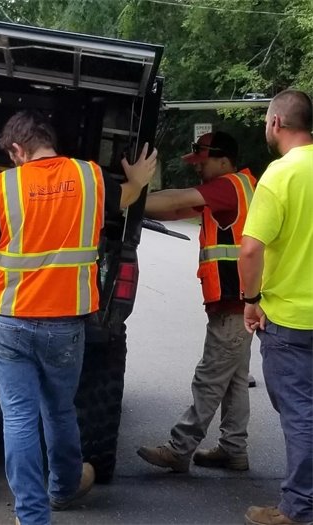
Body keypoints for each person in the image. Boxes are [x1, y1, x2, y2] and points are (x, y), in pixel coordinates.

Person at [0, 109, 157, 525]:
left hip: (11, 322)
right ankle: (66, 488)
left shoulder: (4, 186)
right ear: (49, 141)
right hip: (66, 326)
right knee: (59, 410)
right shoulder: (89, 178)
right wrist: (139, 179)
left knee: (18, 416)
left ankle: (32, 517)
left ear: (17, 149)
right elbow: (125, 197)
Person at [136, 131, 257, 473]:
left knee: (210, 377)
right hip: (239, 301)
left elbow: (174, 201)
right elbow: (175, 210)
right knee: (234, 378)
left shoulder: (227, 186)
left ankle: (179, 448)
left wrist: (124, 196)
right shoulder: (238, 187)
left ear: (223, 160)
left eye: (202, 163)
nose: (198, 169)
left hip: (235, 301)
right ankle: (233, 449)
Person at [239, 89, 313, 525]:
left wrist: (250, 301)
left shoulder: (280, 175)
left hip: (290, 318)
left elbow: (250, 250)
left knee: (301, 413)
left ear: (276, 124)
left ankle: (299, 507)